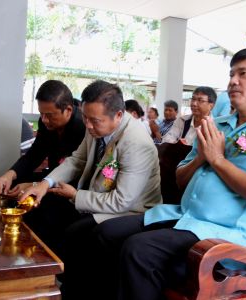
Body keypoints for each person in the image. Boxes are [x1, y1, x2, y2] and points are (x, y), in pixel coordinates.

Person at [95, 47, 246, 300]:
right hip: (184, 217)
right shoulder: (215, 125)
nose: (232, 81)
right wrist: (201, 158)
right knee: (106, 232)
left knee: (139, 250)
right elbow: (180, 180)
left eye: (244, 74)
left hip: (228, 235)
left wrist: (217, 159)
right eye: (231, 74)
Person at [19, 80, 162, 299]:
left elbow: (122, 201)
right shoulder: (94, 126)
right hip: (101, 198)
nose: (88, 125)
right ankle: (43, 281)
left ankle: (75, 290)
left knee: (77, 232)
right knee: (43, 209)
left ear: (118, 115)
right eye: (85, 118)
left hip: (134, 209)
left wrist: (76, 196)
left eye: (95, 120)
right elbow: (77, 160)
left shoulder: (136, 143)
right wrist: (44, 184)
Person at [0, 80, 85, 197]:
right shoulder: (45, 122)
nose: (44, 119)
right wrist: (9, 174)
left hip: (73, 186)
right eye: (41, 114)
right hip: (51, 176)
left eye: (49, 115)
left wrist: (35, 184)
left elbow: (73, 171)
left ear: (68, 110)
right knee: (13, 183)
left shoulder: (83, 126)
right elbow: (35, 154)